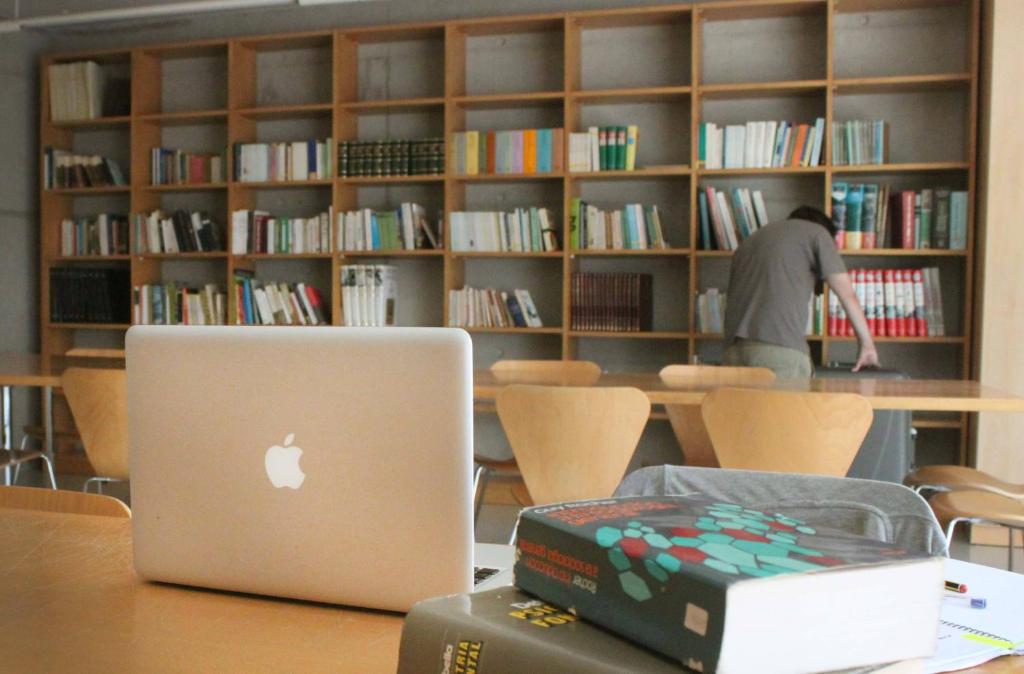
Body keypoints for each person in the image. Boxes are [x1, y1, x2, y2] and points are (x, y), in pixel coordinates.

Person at [723, 205, 879, 378]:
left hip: (733, 352)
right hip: (778, 353)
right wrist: (867, 345)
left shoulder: (751, 241)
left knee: (741, 406)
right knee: (791, 405)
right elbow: (847, 294)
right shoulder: (818, 233)